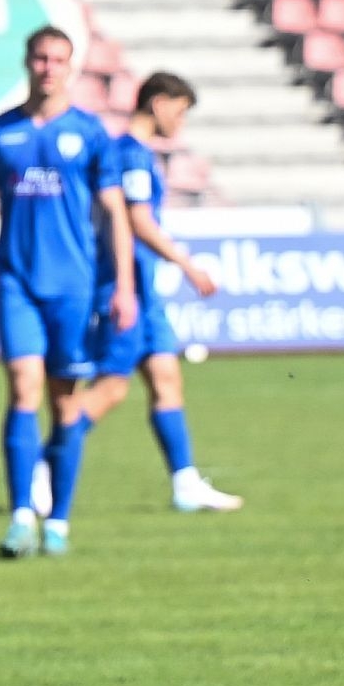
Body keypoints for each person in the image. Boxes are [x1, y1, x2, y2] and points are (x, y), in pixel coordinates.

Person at [0, 27, 134, 559]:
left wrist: (124, 285)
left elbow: (114, 211)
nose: (48, 68)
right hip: (17, 281)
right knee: (22, 388)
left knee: (65, 403)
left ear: (71, 67)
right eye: (40, 58)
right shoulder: (0, 131)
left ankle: (58, 519)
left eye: (59, 59)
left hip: (74, 287)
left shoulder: (90, 132)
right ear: (27, 62)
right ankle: (20, 517)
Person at [63, 72, 241, 512]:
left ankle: (185, 483)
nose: (181, 122)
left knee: (166, 377)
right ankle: (48, 466)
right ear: (159, 103)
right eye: (180, 112)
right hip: (125, 288)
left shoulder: (136, 153)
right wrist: (188, 265)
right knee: (111, 388)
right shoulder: (129, 154)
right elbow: (138, 222)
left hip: (145, 290)